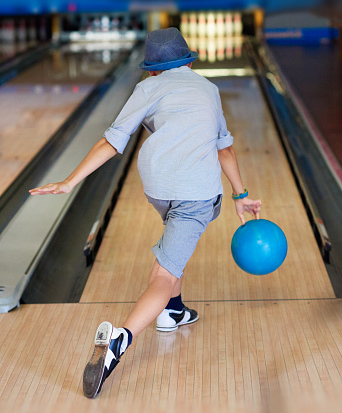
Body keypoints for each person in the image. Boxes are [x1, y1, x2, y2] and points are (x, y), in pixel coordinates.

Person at [29, 27, 261, 399]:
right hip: (196, 193)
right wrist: (241, 194)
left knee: (174, 243)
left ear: (151, 69)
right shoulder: (208, 89)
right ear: (188, 60)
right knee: (163, 273)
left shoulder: (147, 88)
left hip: (157, 185)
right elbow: (225, 150)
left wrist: (70, 182)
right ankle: (121, 341)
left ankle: (173, 312)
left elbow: (112, 140)